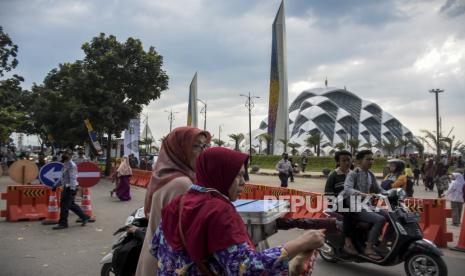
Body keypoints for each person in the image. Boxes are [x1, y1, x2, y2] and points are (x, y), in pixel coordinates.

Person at [151, 147, 325, 274]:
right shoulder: (219, 211)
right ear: (219, 173)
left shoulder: (178, 203)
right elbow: (246, 268)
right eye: (238, 175)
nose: (244, 182)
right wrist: (302, 242)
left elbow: (155, 247)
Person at [135, 127, 211, 276]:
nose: (203, 151)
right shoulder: (182, 184)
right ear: (179, 150)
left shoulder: (164, 176)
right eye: (196, 146)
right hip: (168, 263)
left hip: (154, 255)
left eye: (204, 145)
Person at [343, 150, 389, 260]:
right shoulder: (353, 174)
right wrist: (362, 194)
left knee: (391, 217)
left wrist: (393, 193)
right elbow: (347, 189)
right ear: (359, 161)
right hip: (356, 206)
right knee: (380, 219)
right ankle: (369, 247)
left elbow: (378, 189)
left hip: (367, 204)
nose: (371, 161)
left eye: (372, 159)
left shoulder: (370, 174)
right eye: (368, 159)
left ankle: (383, 244)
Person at [324, 150, 357, 255]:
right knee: (349, 213)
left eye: (349, 160)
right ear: (338, 162)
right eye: (344, 160)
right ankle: (347, 242)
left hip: (353, 202)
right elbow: (329, 194)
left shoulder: (353, 174)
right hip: (338, 204)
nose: (347, 163)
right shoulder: (333, 175)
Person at [52, 150, 91, 230]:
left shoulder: (71, 165)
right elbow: (62, 177)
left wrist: (73, 189)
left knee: (64, 206)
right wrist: (56, 185)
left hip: (70, 187)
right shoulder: (65, 164)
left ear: (70, 156)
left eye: (66, 154)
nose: (64, 155)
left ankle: (63, 223)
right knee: (71, 205)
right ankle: (85, 217)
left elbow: (73, 178)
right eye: (64, 153)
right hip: (67, 187)